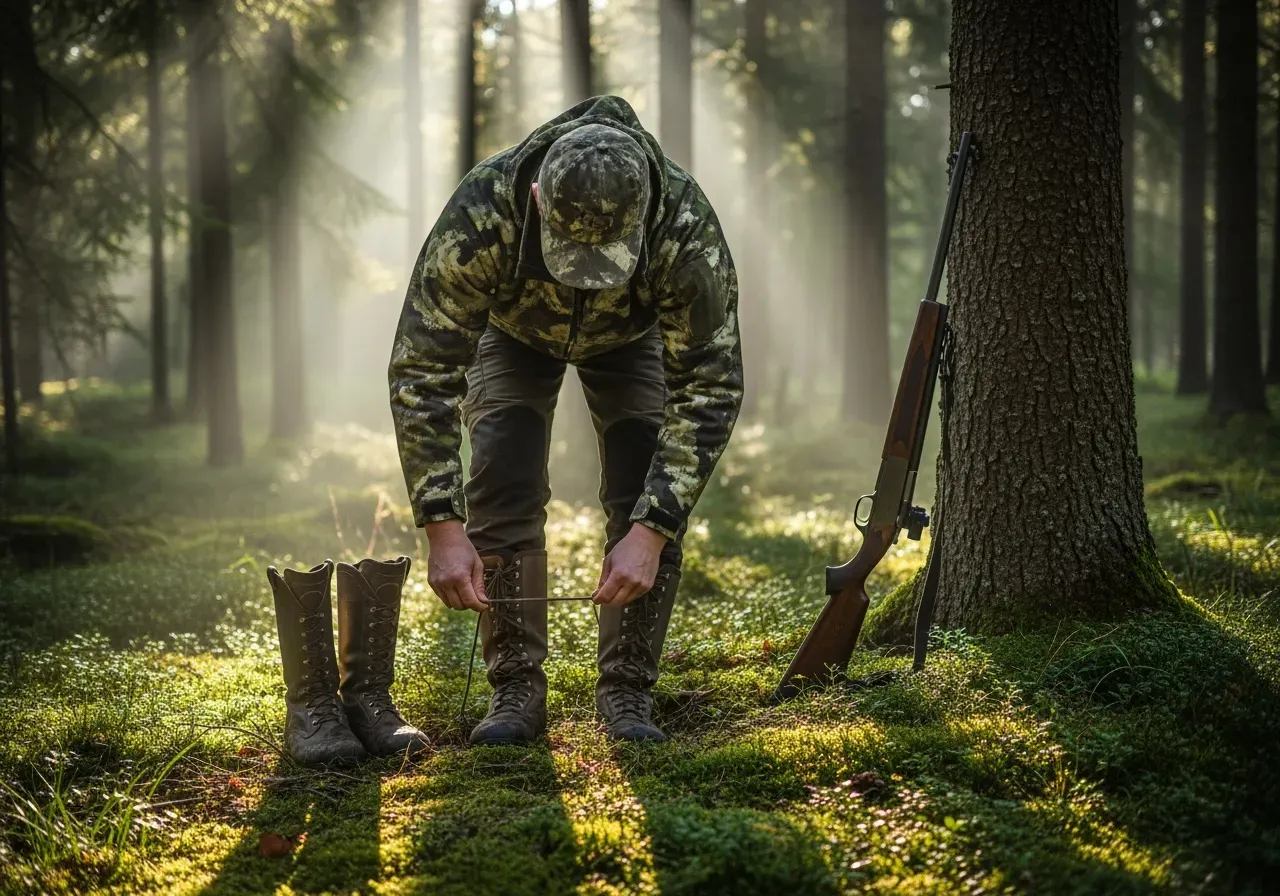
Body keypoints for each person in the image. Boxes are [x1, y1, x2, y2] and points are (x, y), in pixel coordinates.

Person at [388, 95, 743, 745]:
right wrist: (441, 525)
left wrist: (652, 530)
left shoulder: (685, 230)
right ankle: (517, 685)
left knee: (642, 478)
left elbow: (710, 385)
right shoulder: (482, 211)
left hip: (631, 339)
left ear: (643, 220)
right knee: (502, 467)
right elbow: (422, 371)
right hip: (513, 331)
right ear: (536, 198)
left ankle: (628, 691)